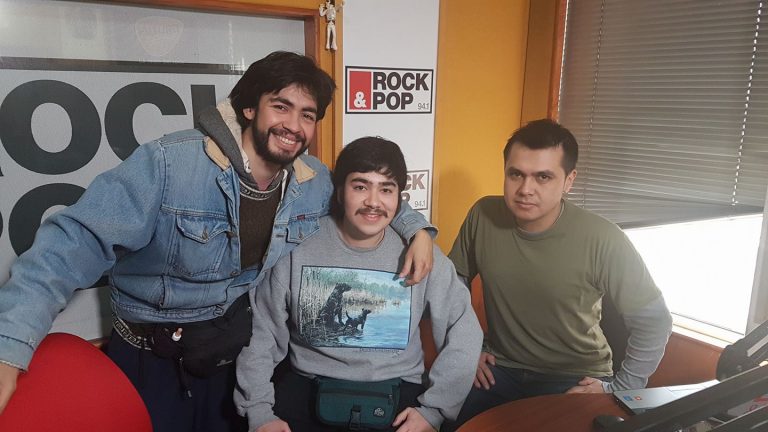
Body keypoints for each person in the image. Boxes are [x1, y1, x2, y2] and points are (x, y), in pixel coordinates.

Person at [0, 52, 436, 432]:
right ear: (248, 108)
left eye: (307, 115)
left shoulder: (312, 181)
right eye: (281, 106)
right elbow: (70, 245)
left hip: (231, 356)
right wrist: (9, 348)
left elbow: (366, 196)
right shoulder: (170, 164)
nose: (293, 125)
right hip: (152, 359)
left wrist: (417, 230)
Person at [235, 137, 483, 432]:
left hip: (397, 393)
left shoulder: (422, 255)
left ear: (399, 198)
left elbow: (464, 330)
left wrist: (434, 410)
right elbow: (262, 333)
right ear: (340, 192)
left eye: (386, 189)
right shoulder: (297, 247)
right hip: (308, 386)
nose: (373, 202)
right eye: (360, 187)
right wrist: (259, 411)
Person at [442, 119, 673, 430]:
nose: (525, 189)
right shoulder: (483, 215)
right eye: (516, 174)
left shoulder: (604, 238)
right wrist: (467, 346)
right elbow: (452, 283)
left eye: (543, 177)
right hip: (501, 368)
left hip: (575, 377)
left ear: (568, 181)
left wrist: (620, 390)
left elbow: (655, 321)